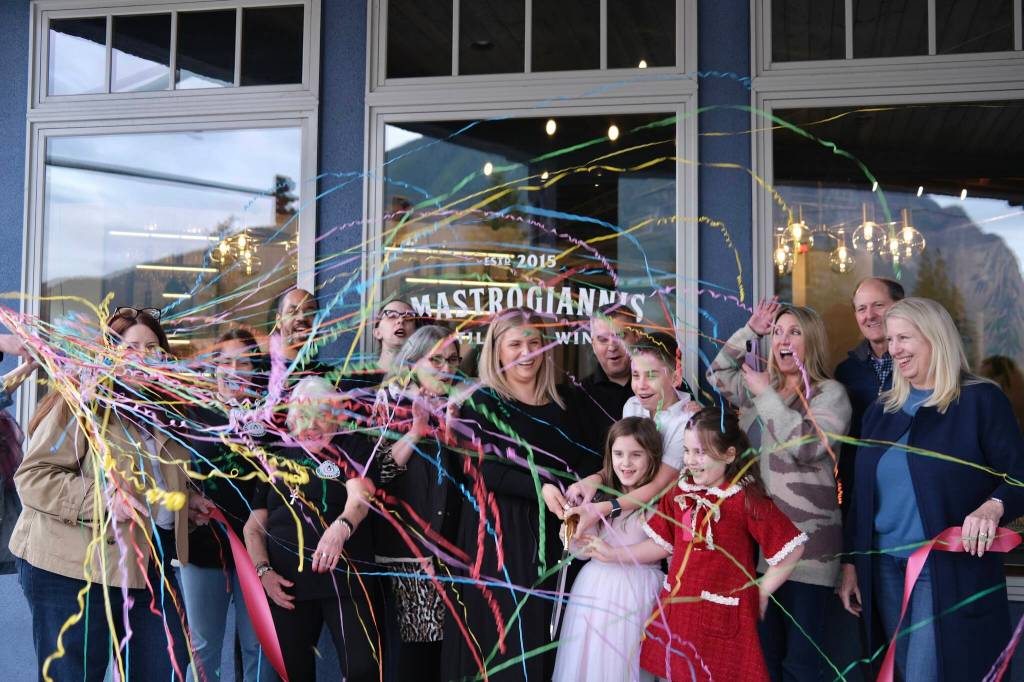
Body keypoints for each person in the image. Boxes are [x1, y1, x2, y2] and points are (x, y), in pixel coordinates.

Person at [10, 306, 215, 681]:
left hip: (148, 566)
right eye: (132, 347)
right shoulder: (80, 401)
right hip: (70, 569)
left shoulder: (166, 414)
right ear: (109, 353)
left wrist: (188, 504)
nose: (144, 357)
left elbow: (155, 487)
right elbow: (33, 478)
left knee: (165, 669)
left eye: (153, 348)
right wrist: (106, 502)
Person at [837, 297, 1024, 681]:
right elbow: (858, 494)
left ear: (934, 338)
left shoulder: (979, 400)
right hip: (885, 564)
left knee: (928, 672)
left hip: (943, 566)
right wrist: (852, 562)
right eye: (890, 340)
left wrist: (994, 506)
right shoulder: (881, 410)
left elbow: (1019, 472)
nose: (895, 349)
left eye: (904, 337)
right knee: (903, 670)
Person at [583, 407, 806, 681]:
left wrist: (761, 591)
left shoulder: (744, 498)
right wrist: (613, 553)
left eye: (701, 452)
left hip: (723, 618)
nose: (690, 460)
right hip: (680, 615)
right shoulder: (680, 492)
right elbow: (664, 545)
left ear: (729, 454)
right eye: (687, 451)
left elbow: (792, 547)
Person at [441, 307, 596, 681]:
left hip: (559, 536)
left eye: (534, 342)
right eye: (515, 344)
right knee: (510, 643)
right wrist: (539, 486)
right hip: (502, 538)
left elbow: (592, 459)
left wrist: (588, 483)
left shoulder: (568, 402)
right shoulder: (480, 404)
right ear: (497, 351)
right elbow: (479, 468)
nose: (526, 352)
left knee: (552, 642)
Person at [706, 299, 851, 681]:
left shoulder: (829, 394)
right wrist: (749, 331)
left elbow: (804, 446)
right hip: (760, 552)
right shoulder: (761, 386)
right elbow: (717, 373)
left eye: (794, 332)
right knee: (764, 661)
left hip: (809, 554)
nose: (783, 339)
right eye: (777, 332)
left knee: (800, 666)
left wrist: (764, 394)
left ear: (812, 341)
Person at [243, 376, 383, 681]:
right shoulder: (276, 456)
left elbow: (360, 497)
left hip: (345, 580)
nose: (312, 424)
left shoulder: (353, 446)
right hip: (287, 586)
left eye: (322, 415)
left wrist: (340, 529)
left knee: (364, 668)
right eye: (304, 416)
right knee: (293, 673)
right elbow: (253, 529)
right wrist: (263, 572)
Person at [178, 328, 271, 682]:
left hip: (260, 551)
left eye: (243, 362)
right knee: (203, 649)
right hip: (205, 548)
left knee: (258, 648)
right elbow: (171, 475)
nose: (234, 369)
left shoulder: (270, 419)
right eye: (226, 362)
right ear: (214, 368)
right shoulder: (192, 416)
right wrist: (187, 501)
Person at [370, 325, 462, 682]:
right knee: (417, 654)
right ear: (413, 361)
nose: (445, 367)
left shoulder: (458, 405)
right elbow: (377, 472)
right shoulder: (391, 401)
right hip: (408, 551)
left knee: (443, 653)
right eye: (435, 359)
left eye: (452, 359)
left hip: (452, 547)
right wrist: (414, 432)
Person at [548, 416, 665, 682]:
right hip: (595, 590)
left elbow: (663, 546)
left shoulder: (658, 502)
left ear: (653, 457)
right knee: (592, 660)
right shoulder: (601, 496)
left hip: (638, 590)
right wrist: (574, 532)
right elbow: (582, 549)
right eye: (619, 454)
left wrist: (615, 555)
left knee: (628, 660)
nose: (626, 463)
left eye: (636, 455)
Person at [553, 332, 699, 534]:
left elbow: (657, 485)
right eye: (636, 375)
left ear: (675, 378)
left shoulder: (686, 422)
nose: (640, 385)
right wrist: (594, 480)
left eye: (652, 375)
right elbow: (625, 459)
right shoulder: (632, 406)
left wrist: (601, 509)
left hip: (672, 524)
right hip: (633, 515)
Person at [834, 277, 904, 516]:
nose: (869, 315)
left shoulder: (918, 366)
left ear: (900, 306)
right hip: (860, 494)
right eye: (861, 308)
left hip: (908, 491)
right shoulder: (845, 372)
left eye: (878, 305)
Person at [580, 305, 639, 438]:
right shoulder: (579, 396)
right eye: (603, 339)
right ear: (593, 345)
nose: (612, 346)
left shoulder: (663, 384)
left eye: (621, 335)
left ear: (636, 337)